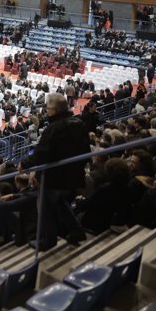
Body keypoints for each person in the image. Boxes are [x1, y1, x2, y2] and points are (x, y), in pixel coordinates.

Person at [20, 93, 89, 249]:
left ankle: (48, 241)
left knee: (46, 208)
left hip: (55, 177)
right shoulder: (79, 123)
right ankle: (76, 231)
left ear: (55, 110)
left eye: (48, 108)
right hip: (74, 173)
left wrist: (24, 164)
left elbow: (42, 154)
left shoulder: (53, 129)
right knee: (60, 203)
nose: (46, 110)